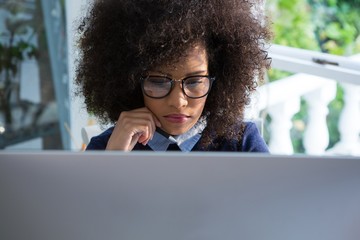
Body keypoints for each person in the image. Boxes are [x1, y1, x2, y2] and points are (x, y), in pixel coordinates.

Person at [75, 0, 272, 152]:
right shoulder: (108, 147)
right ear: (132, 81)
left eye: (194, 81)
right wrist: (113, 160)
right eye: (159, 82)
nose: (178, 102)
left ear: (218, 78)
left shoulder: (241, 142)